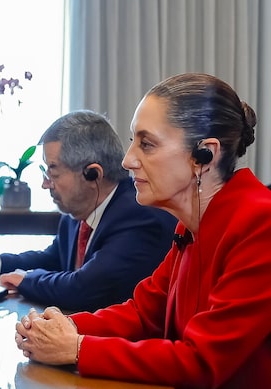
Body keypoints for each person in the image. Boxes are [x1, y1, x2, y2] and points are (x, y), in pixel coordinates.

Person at [15, 73, 271, 388]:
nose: (127, 160)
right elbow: (142, 313)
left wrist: (77, 348)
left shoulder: (261, 223)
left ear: (204, 155)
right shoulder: (191, 225)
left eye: (146, 144)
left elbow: (202, 361)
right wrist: (61, 326)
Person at [0, 110, 177, 312]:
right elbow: (53, 259)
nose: (45, 184)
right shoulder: (76, 214)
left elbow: (84, 287)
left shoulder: (139, 215)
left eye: (53, 172)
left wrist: (27, 280)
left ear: (92, 174)